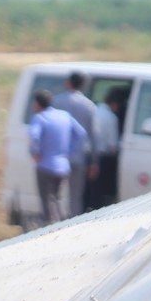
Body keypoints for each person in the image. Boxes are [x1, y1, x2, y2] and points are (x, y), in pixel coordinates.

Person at [29, 89, 87, 225]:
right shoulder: (64, 115)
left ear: (37, 104)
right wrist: (70, 150)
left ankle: (50, 225)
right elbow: (81, 133)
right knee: (56, 198)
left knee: (47, 200)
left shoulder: (39, 118)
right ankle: (60, 222)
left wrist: (35, 153)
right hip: (63, 165)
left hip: (45, 165)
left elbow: (34, 136)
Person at [51, 71, 99, 216]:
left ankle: (55, 224)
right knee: (76, 195)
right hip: (80, 156)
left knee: (55, 194)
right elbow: (94, 135)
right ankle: (73, 225)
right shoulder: (89, 106)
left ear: (68, 83)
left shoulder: (56, 102)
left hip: (58, 155)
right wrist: (94, 162)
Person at [87, 85, 127, 211]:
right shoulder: (111, 117)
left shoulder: (95, 111)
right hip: (103, 159)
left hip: (90, 155)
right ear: (116, 104)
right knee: (102, 193)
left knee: (91, 192)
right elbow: (112, 146)